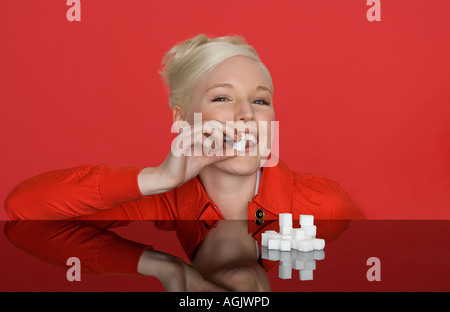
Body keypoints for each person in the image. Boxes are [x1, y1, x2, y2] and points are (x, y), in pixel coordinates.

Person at [4, 34, 365, 221]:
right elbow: (23, 206)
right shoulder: (156, 205)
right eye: (222, 98)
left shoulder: (323, 205)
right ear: (181, 119)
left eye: (260, 101)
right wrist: (159, 178)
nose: (245, 115)